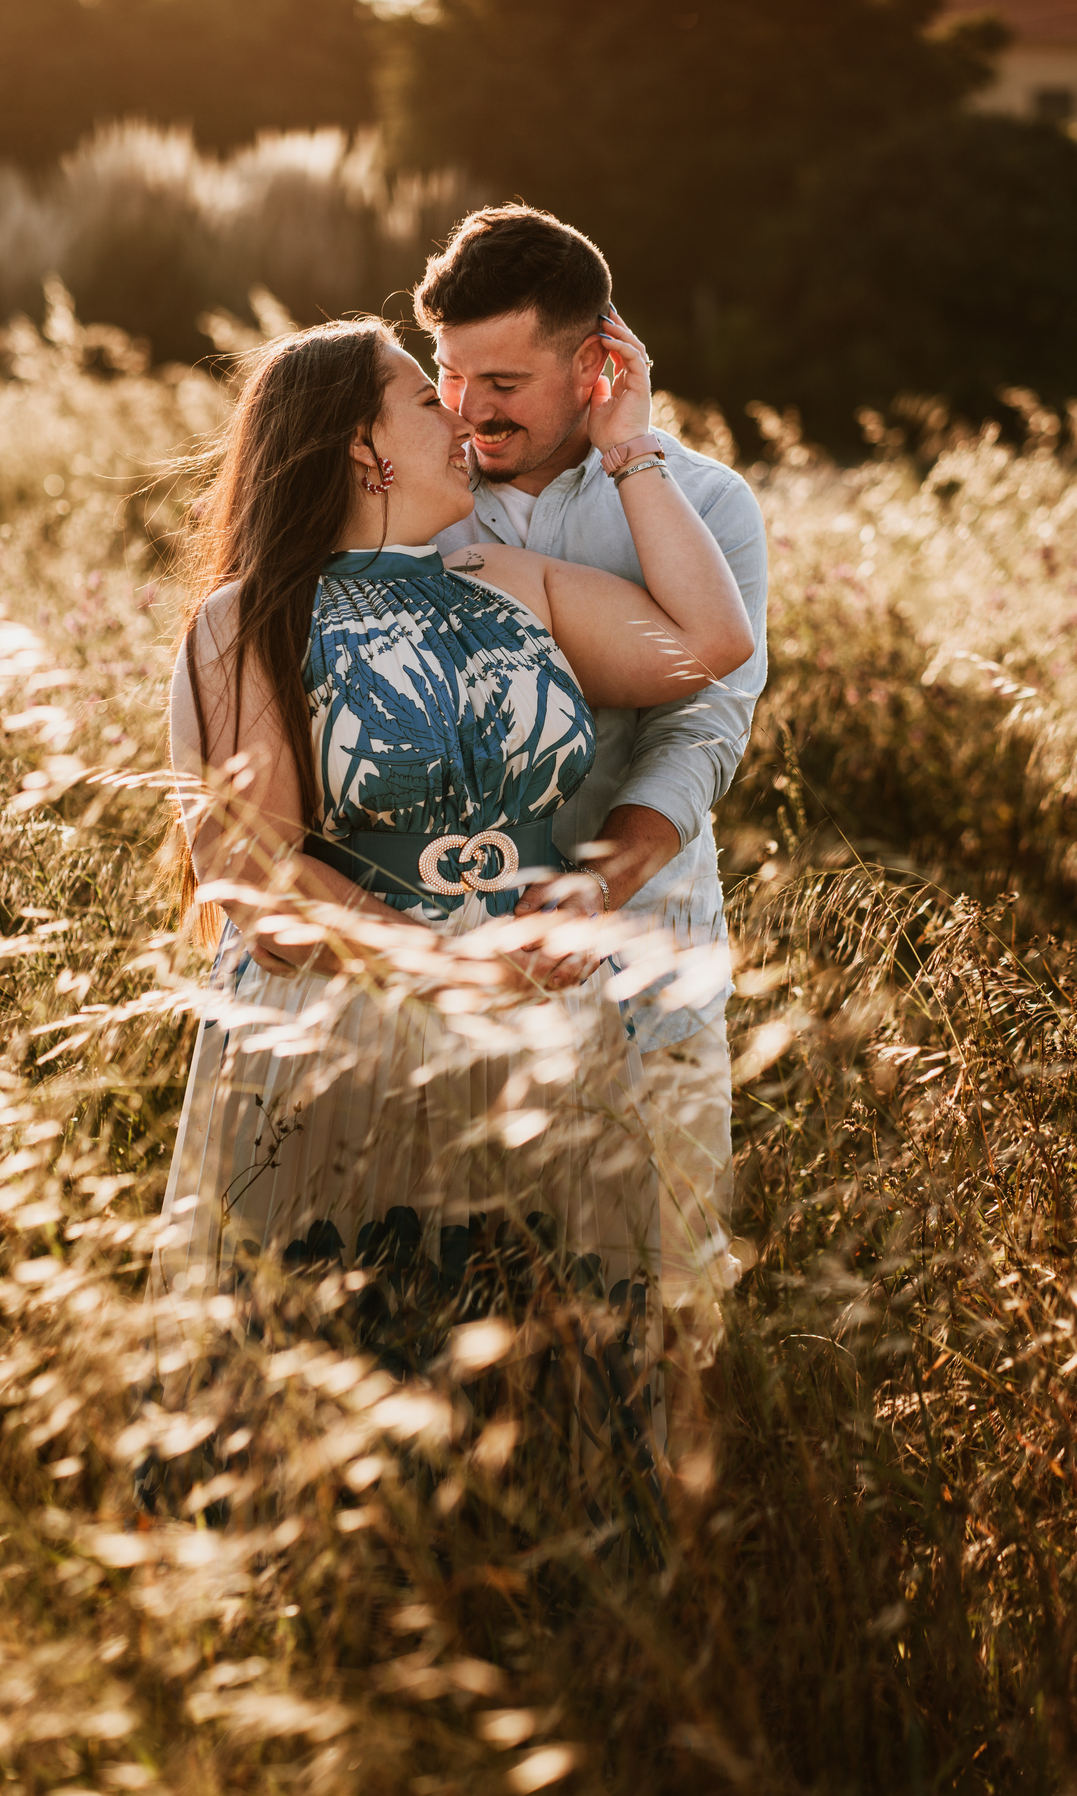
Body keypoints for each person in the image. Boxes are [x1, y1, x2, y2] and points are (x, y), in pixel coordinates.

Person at [153, 312, 752, 1480]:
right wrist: (445, 970)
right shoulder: (246, 618)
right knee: (347, 1388)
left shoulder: (514, 578)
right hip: (351, 1047)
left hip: (549, 1039)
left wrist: (631, 446)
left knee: (557, 1388)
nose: (459, 407)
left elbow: (709, 642)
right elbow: (253, 877)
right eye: (423, 397)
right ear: (362, 450)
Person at [419, 205, 769, 1361]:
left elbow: (705, 722)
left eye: (504, 378)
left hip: (650, 952)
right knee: (465, 1319)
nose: (469, 409)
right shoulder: (415, 501)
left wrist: (600, 882)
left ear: (596, 363)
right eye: (450, 373)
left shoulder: (708, 506)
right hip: (453, 972)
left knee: (666, 1309)